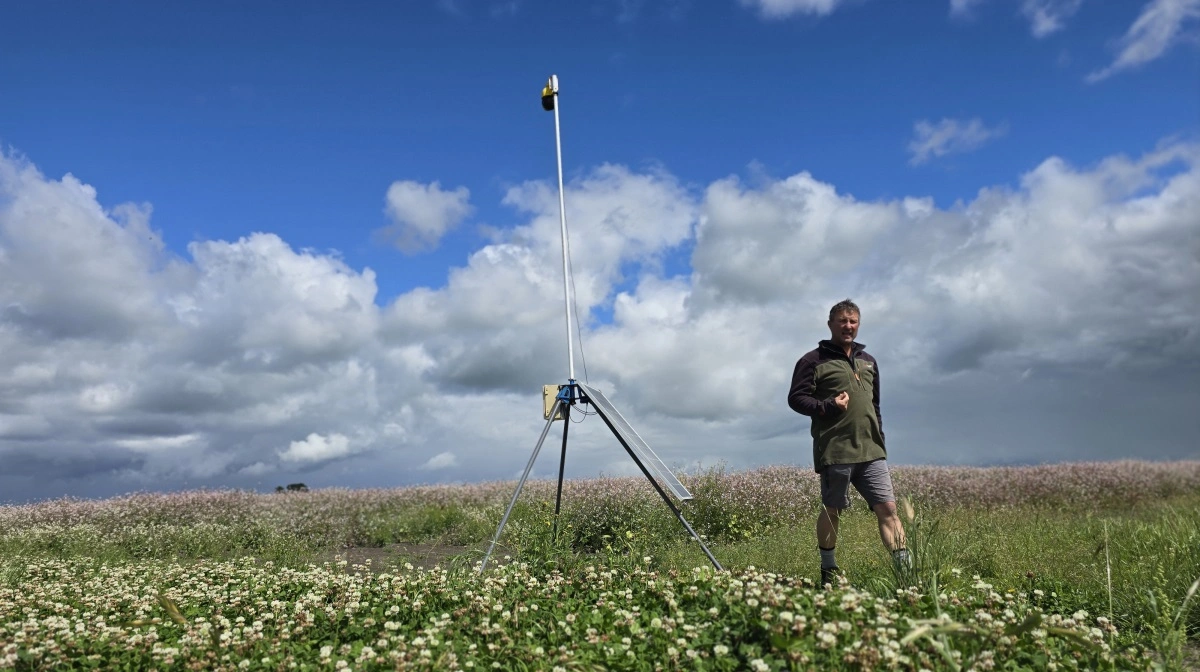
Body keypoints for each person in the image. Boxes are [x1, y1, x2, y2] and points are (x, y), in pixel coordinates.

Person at [787, 299, 909, 588]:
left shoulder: (869, 361)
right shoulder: (812, 360)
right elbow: (796, 398)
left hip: (872, 451)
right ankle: (828, 571)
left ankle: (907, 576)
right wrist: (827, 406)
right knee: (832, 511)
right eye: (842, 321)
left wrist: (879, 436)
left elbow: (875, 404)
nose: (848, 326)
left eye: (853, 321)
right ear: (830, 324)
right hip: (836, 451)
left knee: (889, 509)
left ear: (858, 324)